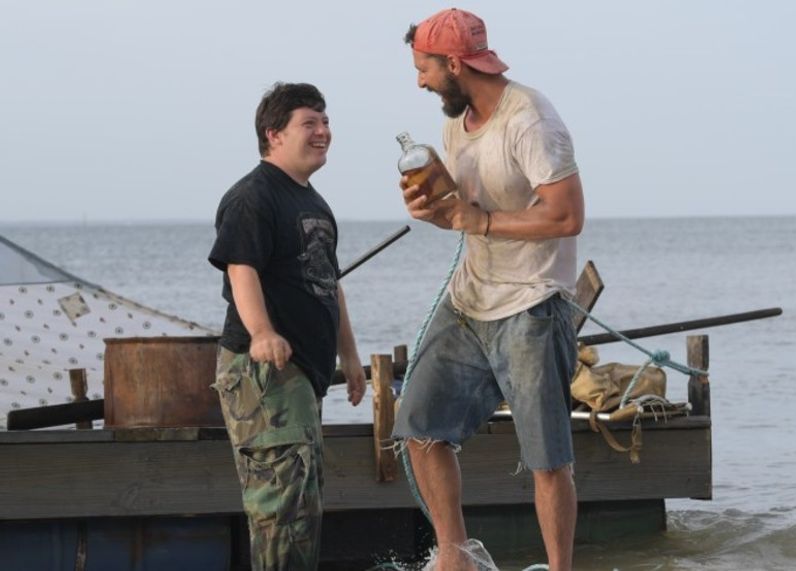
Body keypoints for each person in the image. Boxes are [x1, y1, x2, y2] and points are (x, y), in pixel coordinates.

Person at [391, 8, 585, 570]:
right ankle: (457, 558)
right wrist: (436, 212)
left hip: (532, 303)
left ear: (454, 63)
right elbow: (462, 211)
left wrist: (480, 224)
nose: (420, 81)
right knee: (419, 425)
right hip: (469, 297)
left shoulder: (530, 119)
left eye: (424, 68)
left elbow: (567, 216)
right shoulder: (456, 124)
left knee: (548, 460)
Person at [208, 81, 366, 571]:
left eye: (325, 122)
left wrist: (351, 358)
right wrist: (261, 333)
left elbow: (329, 285)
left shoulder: (314, 203)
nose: (323, 132)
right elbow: (241, 269)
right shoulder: (253, 196)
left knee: (303, 502)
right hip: (265, 375)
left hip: (303, 376)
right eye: (309, 123)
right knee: (280, 507)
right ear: (274, 134)